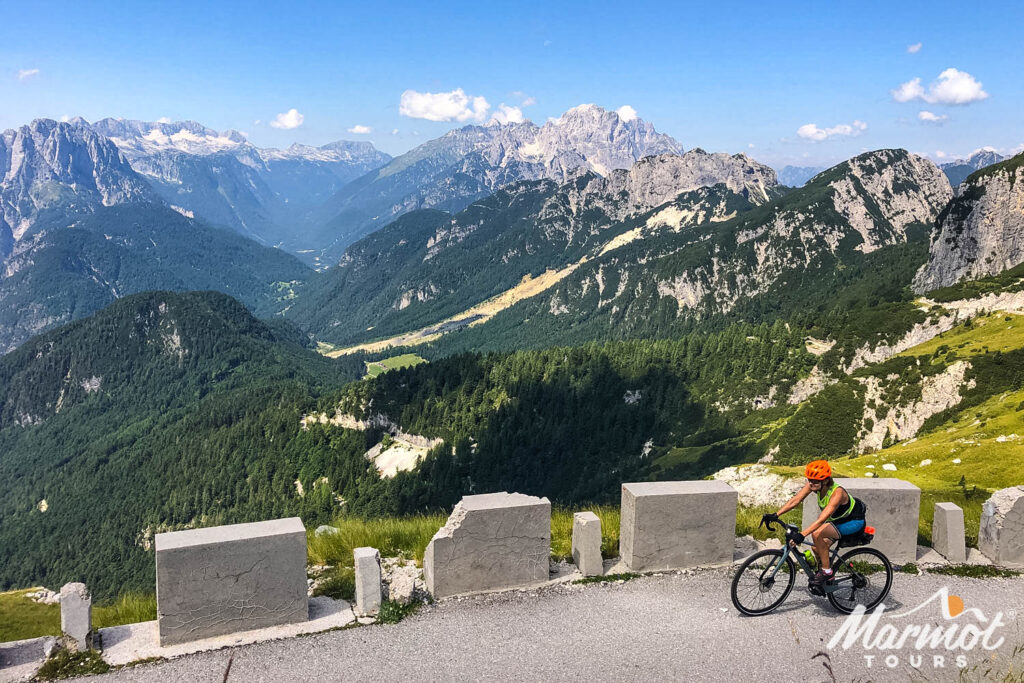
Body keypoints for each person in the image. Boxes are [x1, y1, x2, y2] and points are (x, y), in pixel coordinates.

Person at [761, 460, 867, 593]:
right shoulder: (814, 485)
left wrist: (802, 534)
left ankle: (827, 572)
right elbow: (796, 500)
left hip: (853, 522)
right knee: (816, 548)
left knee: (817, 534)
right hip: (838, 521)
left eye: (816, 481)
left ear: (826, 481)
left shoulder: (837, 493)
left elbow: (821, 520)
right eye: (809, 480)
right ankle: (824, 577)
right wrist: (776, 514)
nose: (811, 483)